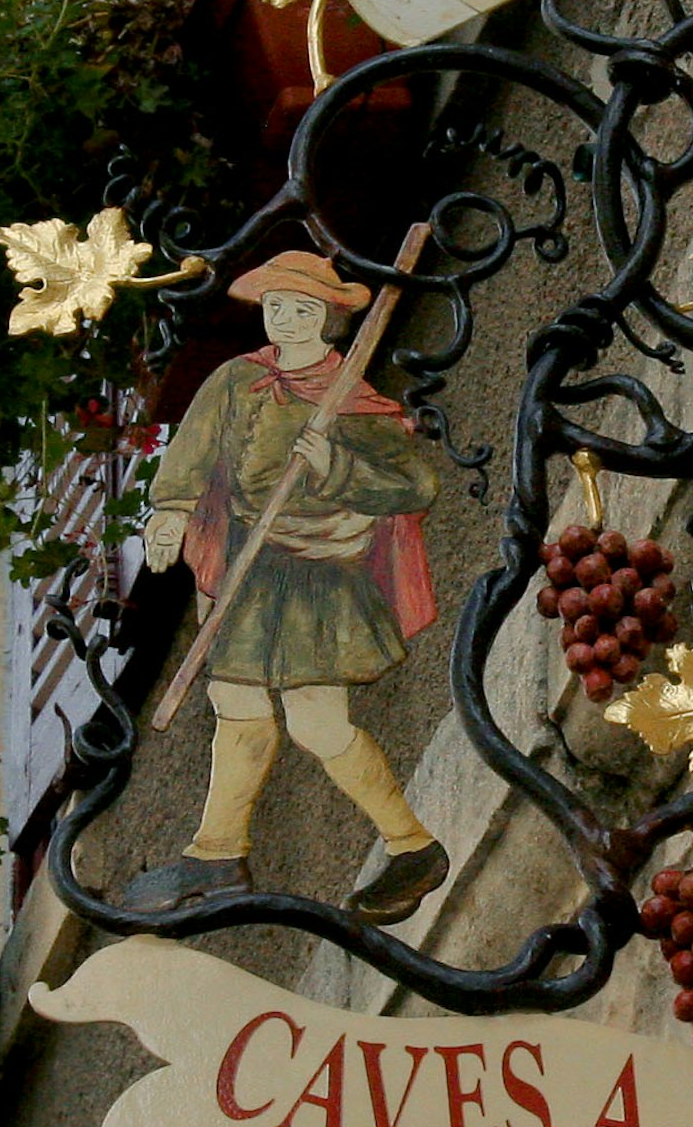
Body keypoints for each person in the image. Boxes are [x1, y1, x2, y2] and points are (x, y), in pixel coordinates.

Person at [116, 250, 452, 923]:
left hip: (318, 574)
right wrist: (170, 515)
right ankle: (217, 856)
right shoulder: (237, 380)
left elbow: (415, 484)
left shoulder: (352, 400)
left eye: (302, 310)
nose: (288, 321)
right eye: (277, 308)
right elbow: (193, 453)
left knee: (316, 722)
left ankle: (413, 847)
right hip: (248, 566)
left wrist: (334, 466)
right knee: (235, 702)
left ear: (328, 321)